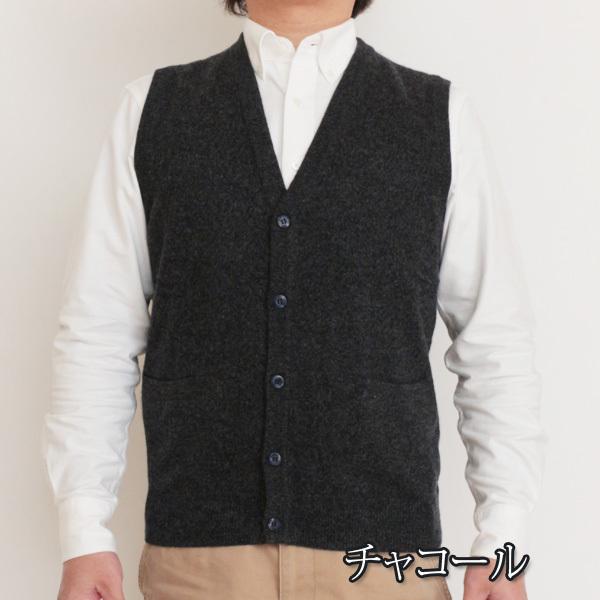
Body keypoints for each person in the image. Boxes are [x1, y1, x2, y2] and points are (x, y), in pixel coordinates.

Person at [42, 0, 546, 598]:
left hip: (384, 566)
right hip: (200, 565)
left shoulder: (439, 117)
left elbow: (495, 346)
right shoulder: (152, 110)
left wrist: (503, 542)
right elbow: (97, 334)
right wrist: (83, 532)